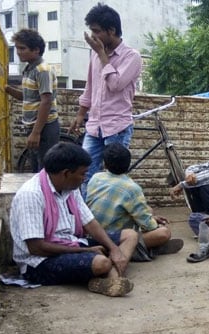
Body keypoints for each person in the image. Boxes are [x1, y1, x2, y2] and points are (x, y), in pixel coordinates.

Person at [10, 142, 138, 297]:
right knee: (100, 262)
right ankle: (112, 276)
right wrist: (84, 250)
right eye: (82, 174)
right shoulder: (31, 195)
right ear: (66, 173)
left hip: (71, 242)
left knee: (130, 235)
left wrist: (114, 249)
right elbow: (36, 248)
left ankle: (109, 278)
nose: (84, 179)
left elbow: (90, 222)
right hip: (38, 263)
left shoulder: (69, 188)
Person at [68, 2, 142, 198]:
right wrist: (80, 114)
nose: (93, 37)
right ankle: (86, 221)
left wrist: (102, 54)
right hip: (94, 126)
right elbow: (90, 87)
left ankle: (110, 220)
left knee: (113, 178)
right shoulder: (94, 55)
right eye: (91, 31)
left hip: (117, 126)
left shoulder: (132, 57)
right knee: (84, 175)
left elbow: (116, 84)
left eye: (97, 31)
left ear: (111, 31)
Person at [86, 143, 184, 261]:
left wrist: (150, 215)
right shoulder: (131, 188)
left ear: (104, 163)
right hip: (116, 238)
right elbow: (148, 225)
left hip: (92, 236)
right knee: (164, 233)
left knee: (148, 210)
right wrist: (155, 223)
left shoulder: (96, 177)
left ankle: (145, 248)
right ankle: (139, 250)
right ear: (128, 164)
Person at [5, 28, 60, 172]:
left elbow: (46, 101)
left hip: (45, 127)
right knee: (36, 168)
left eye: (22, 48)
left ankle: (46, 195)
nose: (18, 52)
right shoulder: (29, 69)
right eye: (17, 48)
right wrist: (8, 89)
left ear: (36, 50)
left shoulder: (42, 70)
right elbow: (28, 97)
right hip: (34, 126)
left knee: (45, 169)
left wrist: (36, 132)